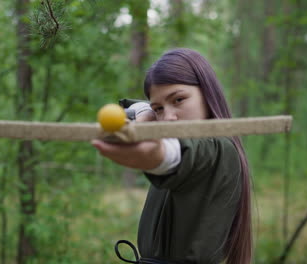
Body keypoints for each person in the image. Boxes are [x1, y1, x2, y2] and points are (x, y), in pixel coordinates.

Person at [91, 48, 252, 264]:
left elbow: (180, 156)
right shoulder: (177, 130)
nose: (168, 118)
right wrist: (144, 111)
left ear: (207, 93)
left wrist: (155, 154)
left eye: (178, 100)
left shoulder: (220, 150)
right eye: (158, 109)